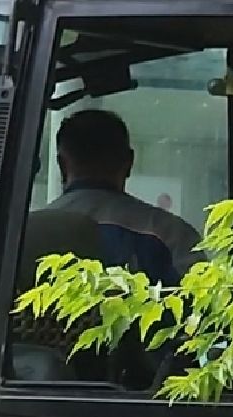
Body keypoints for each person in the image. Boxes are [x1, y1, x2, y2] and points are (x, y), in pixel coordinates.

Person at [45, 109, 202, 287]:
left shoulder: (27, 232)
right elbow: (203, 304)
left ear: (61, 164)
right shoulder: (170, 234)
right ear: (129, 161)